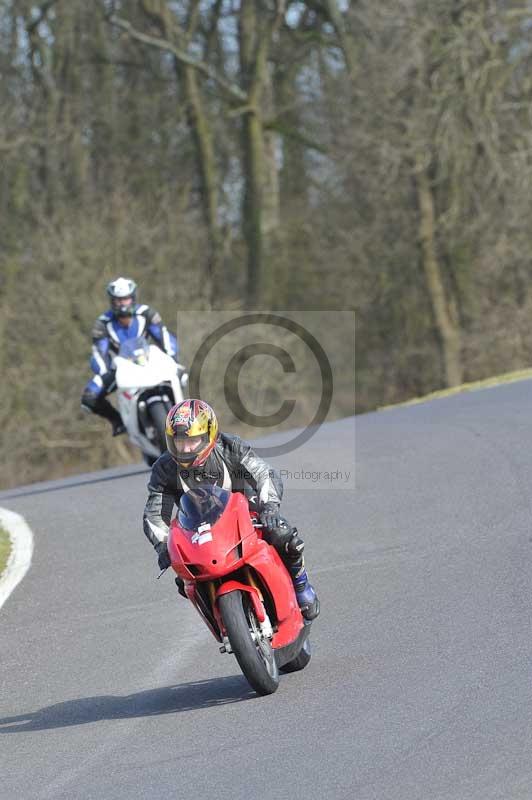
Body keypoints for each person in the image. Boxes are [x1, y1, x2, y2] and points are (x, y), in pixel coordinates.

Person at [142, 398, 320, 620]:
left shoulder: (231, 447)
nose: (186, 448)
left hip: (247, 514)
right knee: (184, 579)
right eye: (179, 441)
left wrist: (270, 507)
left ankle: (301, 584)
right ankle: (220, 619)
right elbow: (154, 514)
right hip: (197, 530)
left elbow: (264, 474)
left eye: (193, 441)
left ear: (209, 436)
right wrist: (163, 547)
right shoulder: (164, 469)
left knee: (283, 535)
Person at [81, 277, 186, 435]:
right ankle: (118, 422)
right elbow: (99, 352)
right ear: (112, 301)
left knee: (182, 375)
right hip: (122, 369)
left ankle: (185, 416)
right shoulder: (102, 323)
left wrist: (173, 360)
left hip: (149, 362)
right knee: (89, 398)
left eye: (126, 299)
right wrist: (105, 372)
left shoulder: (146, 314)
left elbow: (165, 337)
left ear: (133, 298)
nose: (123, 303)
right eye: (118, 300)